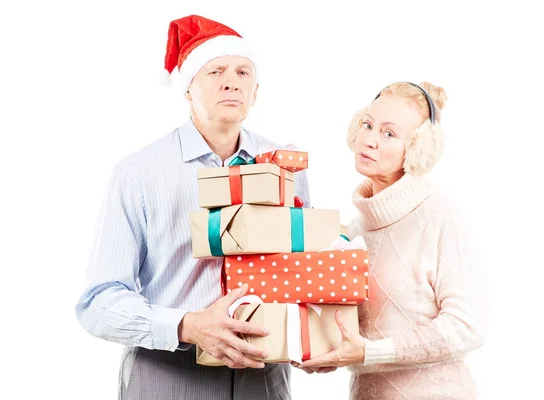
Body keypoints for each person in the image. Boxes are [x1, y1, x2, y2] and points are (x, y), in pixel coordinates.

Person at [75, 14, 310, 400]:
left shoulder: (286, 167)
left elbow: (301, 272)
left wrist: (316, 338)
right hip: (168, 376)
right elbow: (97, 302)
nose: (232, 81)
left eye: (243, 72)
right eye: (215, 70)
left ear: (256, 91)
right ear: (188, 87)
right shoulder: (139, 173)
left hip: (264, 379)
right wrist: (187, 325)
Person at [297, 81, 487, 399]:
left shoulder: (440, 215)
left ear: (417, 149)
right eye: (367, 125)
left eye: (388, 133)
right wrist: (325, 350)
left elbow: (467, 327)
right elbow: (359, 338)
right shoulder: (353, 232)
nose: (369, 140)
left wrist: (370, 353)